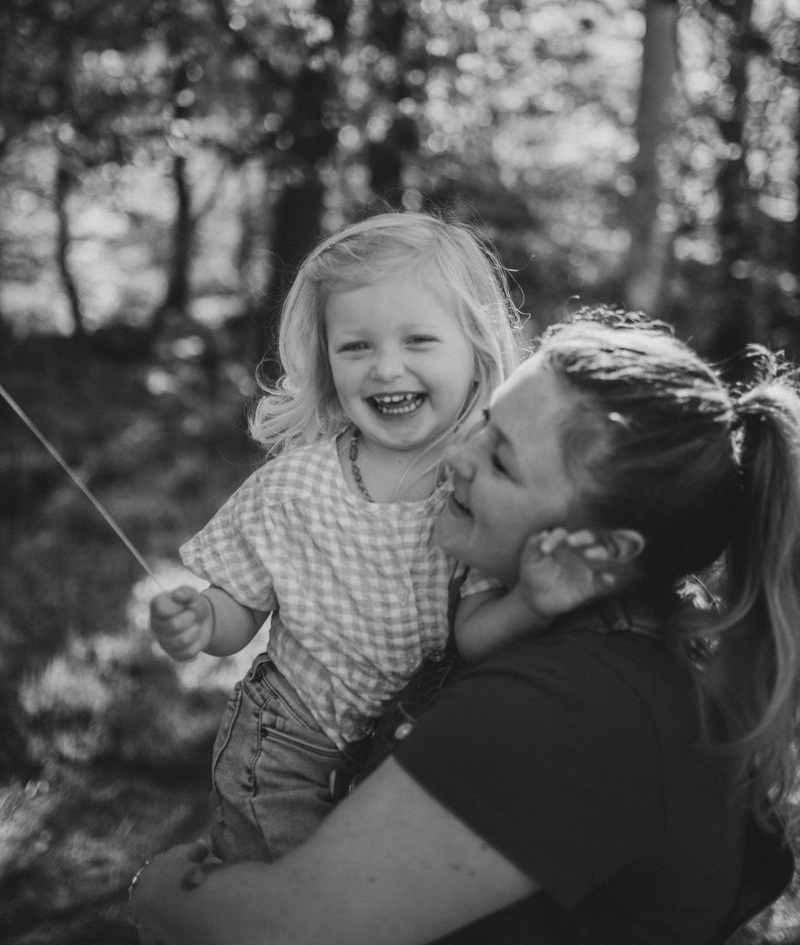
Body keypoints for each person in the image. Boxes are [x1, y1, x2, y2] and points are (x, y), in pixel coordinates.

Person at [131, 307, 799, 945]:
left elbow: (276, 932)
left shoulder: (576, 705)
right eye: (484, 422)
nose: (457, 457)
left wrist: (158, 892)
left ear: (606, 551)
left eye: (503, 460)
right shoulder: (595, 636)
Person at [148, 211, 538, 863]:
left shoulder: (482, 488)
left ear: (479, 349)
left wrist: (537, 600)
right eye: (356, 347)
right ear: (327, 362)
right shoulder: (295, 485)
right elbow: (239, 609)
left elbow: (477, 628)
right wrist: (199, 621)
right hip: (291, 749)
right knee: (283, 910)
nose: (386, 368)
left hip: (422, 750)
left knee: (377, 904)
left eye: (418, 341)